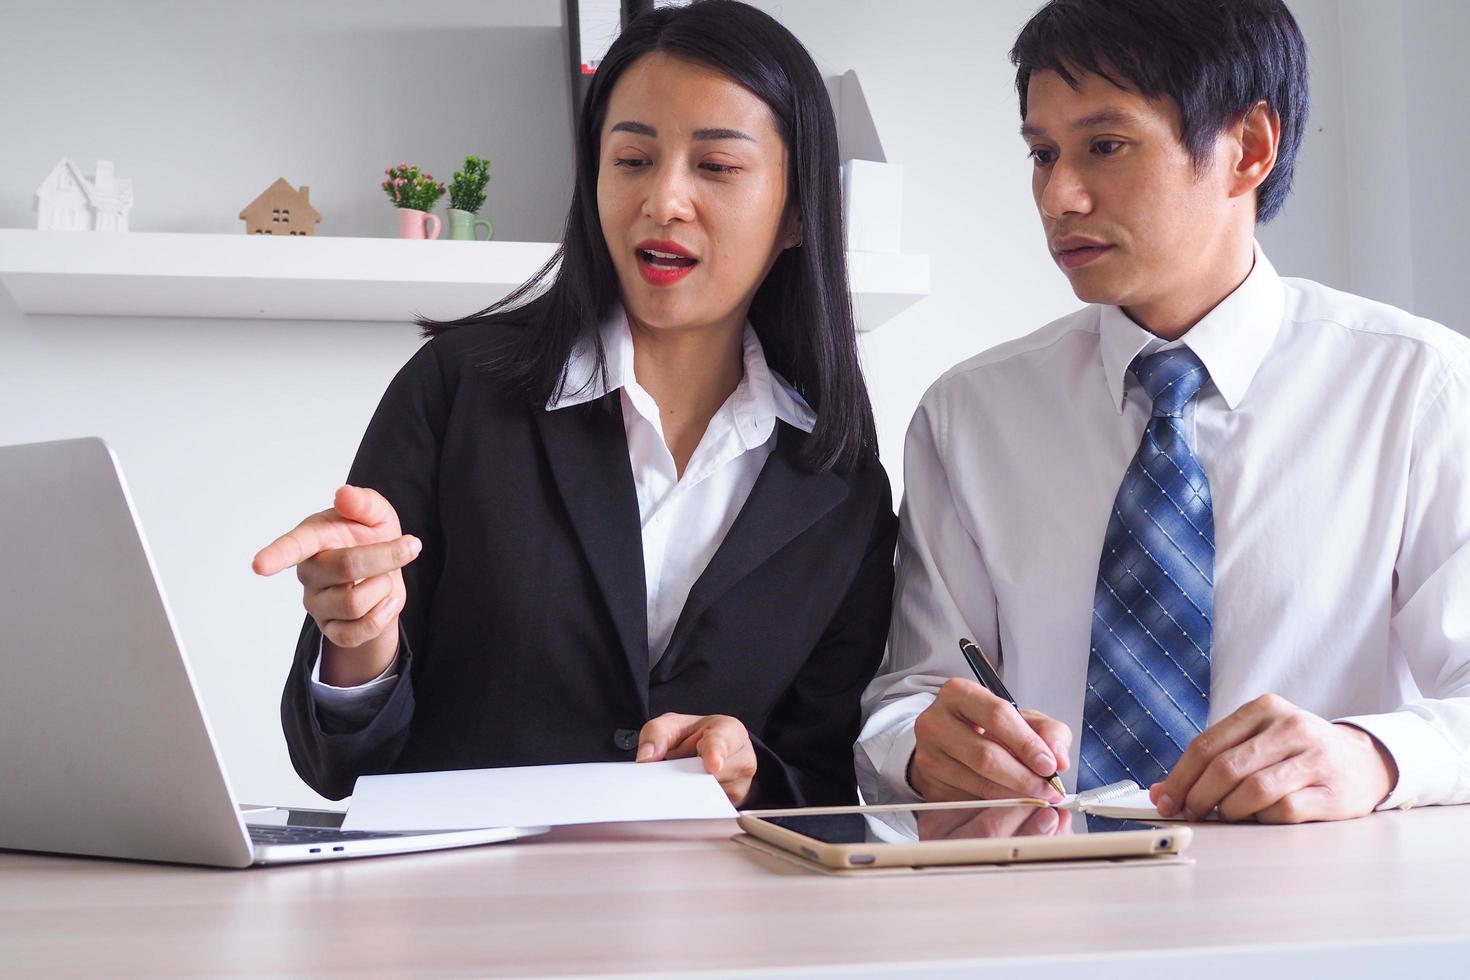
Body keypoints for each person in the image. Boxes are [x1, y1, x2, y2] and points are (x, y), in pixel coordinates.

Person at [253, 0, 897, 808]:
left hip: (712, 917)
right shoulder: (455, 393)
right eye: (632, 159)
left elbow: (830, 788)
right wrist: (361, 640)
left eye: (717, 167)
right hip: (459, 913)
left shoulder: (841, 485)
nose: (663, 200)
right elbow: (335, 762)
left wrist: (748, 770)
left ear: (798, 211)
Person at [858, 0, 1470, 822]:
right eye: (1042, 154)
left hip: (1327, 923)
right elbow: (911, 697)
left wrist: (1372, 757)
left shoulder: (1417, 387)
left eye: (1105, 146)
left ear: (1249, 147)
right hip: (1043, 916)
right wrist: (923, 748)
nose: (1058, 197)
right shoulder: (969, 416)